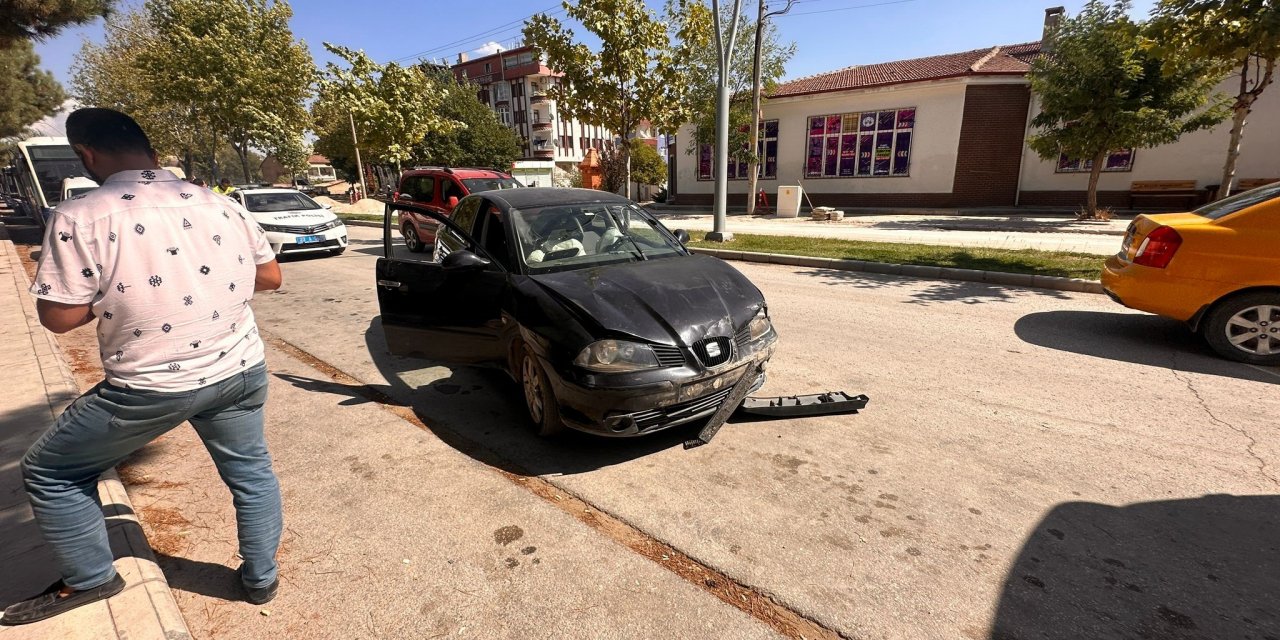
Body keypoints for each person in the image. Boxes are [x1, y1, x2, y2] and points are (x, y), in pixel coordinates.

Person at [2, 108, 284, 625]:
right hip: (240, 368)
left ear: (86, 154)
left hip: (151, 385)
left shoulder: (81, 216)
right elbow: (270, 278)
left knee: (51, 470)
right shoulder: (220, 204)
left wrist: (119, 291)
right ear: (152, 152)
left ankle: (91, 577)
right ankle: (261, 579)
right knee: (250, 473)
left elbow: (59, 318)